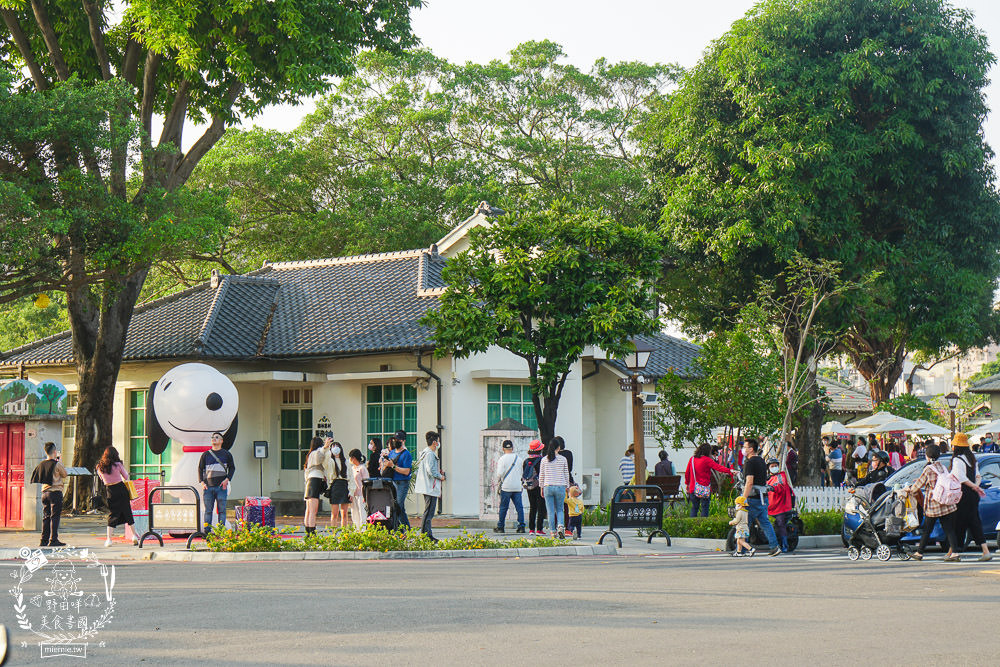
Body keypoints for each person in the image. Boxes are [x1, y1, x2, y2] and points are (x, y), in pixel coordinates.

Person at [902, 443, 960, 561]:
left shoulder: (928, 469)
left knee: (927, 529)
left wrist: (909, 489)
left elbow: (917, 485)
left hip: (933, 505)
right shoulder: (942, 467)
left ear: (927, 456)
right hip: (945, 502)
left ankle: (919, 553)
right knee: (949, 529)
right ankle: (955, 553)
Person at [949, 433, 993, 562]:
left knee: (957, 522)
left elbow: (960, 477)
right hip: (973, 495)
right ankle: (984, 550)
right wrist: (976, 487)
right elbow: (978, 476)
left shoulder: (957, 460)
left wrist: (973, 486)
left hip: (963, 494)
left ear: (956, 446)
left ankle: (954, 552)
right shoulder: (972, 458)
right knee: (973, 522)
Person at [741, 438, 780, 557]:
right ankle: (774, 547)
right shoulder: (762, 461)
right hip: (763, 497)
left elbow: (749, 482)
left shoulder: (750, 462)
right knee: (765, 523)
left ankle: (742, 549)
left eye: (745, 447)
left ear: (751, 449)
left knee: (744, 523)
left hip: (753, 498)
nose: (743, 449)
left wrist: (743, 498)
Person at [95, 446, 137, 547]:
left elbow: (101, 479)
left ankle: (109, 539)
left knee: (113, 514)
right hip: (121, 489)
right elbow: (126, 476)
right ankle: (134, 536)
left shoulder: (99, 467)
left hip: (110, 491)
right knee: (127, 512)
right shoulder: (118, 465)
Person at [30, 442, 68, 547]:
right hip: (55, 492)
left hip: (44, 493)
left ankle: (43, 540)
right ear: (55, 452)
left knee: (46, 517)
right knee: (55, 517)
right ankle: (53, 539)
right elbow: (64, 474)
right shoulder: (57, 464)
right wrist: (60, 461)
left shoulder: (42, 464)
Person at [197, 431, 236, 533]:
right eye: (213, 437)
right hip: (208, 487)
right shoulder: (206, 454)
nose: (214, 439)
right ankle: (207, 531)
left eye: (217, 437)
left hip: (221, 487)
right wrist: (202, 482)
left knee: (222, 511)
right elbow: (200, 468)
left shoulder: (227, 454)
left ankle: (220, 531)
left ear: (221, 441)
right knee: (208, 511)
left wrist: (227, 480)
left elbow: (232, 468)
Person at [685, 442, 735, 517]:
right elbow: (718, 467)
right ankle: (704, 525)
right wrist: (730, 470)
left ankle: (692, 526)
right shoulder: (707, 460)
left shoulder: (692, 459)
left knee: (694, 508)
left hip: (693, 487)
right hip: (704, 488)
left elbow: (687, 473)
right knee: (705, 508)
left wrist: (687, 484)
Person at [414, 431, 446, 541]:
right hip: (430, 487)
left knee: (428, 511)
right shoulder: (430, 454)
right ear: (434, 442)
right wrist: (441, 476)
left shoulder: (425, 453)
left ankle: (427, 534)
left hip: (426, 486)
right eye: (438, 441)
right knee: (429, 512)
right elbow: (431, 470)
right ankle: (426, 535)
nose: (439, 443)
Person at [539, 439, 570, 538]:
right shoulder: (563, 459)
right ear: (559, 447)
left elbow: (542, 475)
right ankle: (560, 526)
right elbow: (566, 474)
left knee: (550, 511)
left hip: (548, 486)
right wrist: (567, 486)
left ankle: (553, 532)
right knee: (560, 509)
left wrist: (541, 487)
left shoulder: (544, 459)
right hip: (560, 486)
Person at [382, 430, 413, 529]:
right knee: (396, 506)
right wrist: (386, 465)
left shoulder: (406, 454)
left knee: (399, 505)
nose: (396, 441)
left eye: (399, 439)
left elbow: (407, 471)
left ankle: (405, 528)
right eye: (395, 439)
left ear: (403, 441)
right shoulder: (391, 453)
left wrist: (393, 466)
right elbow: (386, 467)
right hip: (392, 482)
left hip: (402, 482)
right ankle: (400, 528)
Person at [493, 440, 525, 534]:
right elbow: (521, 473)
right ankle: (521, 526)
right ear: (512, 448)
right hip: (517, 486)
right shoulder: (519, 459)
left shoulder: (502, 459)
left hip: (506, 486)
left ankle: (501, 527)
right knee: (519, 507)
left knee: (503, 507)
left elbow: (499, 474)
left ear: (503, 449)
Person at [302, 436, 330, 535]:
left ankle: (308, 531)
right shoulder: (315, 453)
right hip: (314, 481)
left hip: (310, 481)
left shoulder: (310, 454)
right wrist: (325, 447)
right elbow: (319, 459)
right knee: (313, 510)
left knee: (309, 510)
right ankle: (312, 533)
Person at [765, 458, 794, 552]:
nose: (774, 467)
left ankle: (785, 545)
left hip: (780, 506)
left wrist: (772, 487)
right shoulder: (767, 478)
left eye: (775, 466)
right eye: (772, 466)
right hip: (769, 505)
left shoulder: (781, 476)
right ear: (768, 468)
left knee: (780, 524)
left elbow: (780, 485)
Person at [522, 440, 547, 535]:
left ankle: (531, 529)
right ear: (539, 450)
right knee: (541, 507)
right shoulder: (541, 460)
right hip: (539, 486)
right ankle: (539, 529)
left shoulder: (526, 461)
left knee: (532, 507)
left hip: (529, 486)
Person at [326, 439, 351, 528]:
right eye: (333, 447)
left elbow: (350, 477)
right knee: (334, 513)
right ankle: (333, 533)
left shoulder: (346, 461)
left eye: (337, 447)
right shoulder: (330, 461)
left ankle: (344, 533)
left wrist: (351, 491)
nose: (335, 449)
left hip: (344, 486)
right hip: (335, 485)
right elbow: (328, 468)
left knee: (344, 513)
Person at [348, 449, 369, 528]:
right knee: (354, 513)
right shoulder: (352, 468)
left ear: (354, 458)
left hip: (361, 494)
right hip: (353, 494)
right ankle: (356, 529)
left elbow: (366, 482)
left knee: (362, 512)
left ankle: (363, 530)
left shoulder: (362, 468)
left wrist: (365, 495)